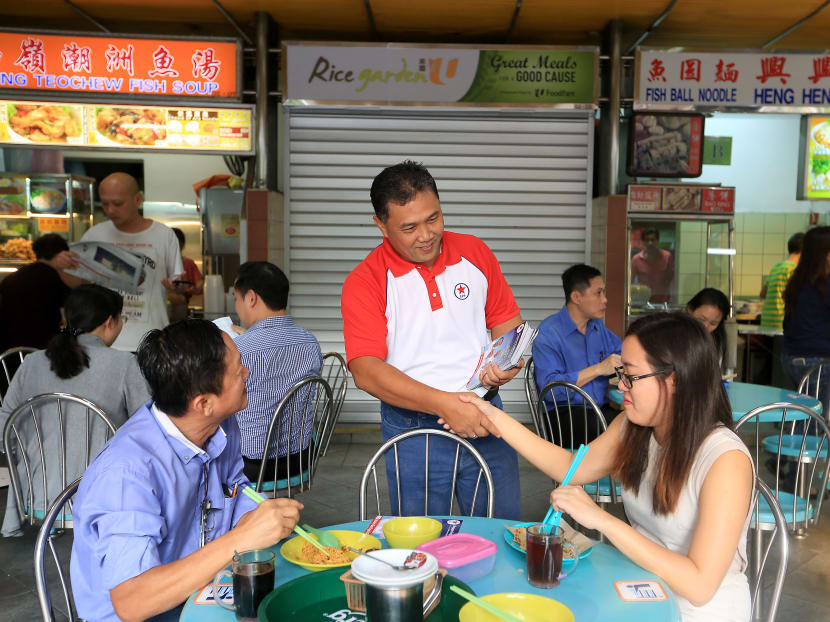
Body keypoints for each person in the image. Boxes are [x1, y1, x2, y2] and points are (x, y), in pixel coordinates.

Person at [455, 312, 754, 622]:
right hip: (643, 589)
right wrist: (492, 416)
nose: (620, 384)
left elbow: (700, 585)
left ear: (673, 380)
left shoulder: (724, 460)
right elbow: (571, 467)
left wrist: (602, 520)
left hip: (700, 611)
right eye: (620, 372)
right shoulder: (634, 426)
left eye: (631, 376)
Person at [70, 320, 303, 622]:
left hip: (202, 590)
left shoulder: (219, 423)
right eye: (237, 371)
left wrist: (255, 517)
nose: (247, 373)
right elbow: (132, 601)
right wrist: (242, 538)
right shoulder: (127, 474)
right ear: (203, 403)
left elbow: (234, 484)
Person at [341, 160, 524, 519]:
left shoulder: (475, 253)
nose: (425, 235)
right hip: (413, 427)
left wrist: (506, 365)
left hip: (484, 412)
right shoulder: (366, 281)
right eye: (409, 227)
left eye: (433, 218)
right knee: (421, 545)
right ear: (380, 224)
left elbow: (508, 325)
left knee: (501, 528)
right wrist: (445, 405)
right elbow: (366, 371)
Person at [0, 284, 150, 537]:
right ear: (110, 321)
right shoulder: (124, 364)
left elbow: (4, 426)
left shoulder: (33, 362)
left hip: (36, 499)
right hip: (102, 502)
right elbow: (149, 427)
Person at [57, 172, 184, 352]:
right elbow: (79, 283)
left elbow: (179, 284)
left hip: (152, 342)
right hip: (103, 343)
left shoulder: (164, 235)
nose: (110, 210)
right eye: (105, 203)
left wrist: (177, 286)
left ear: (138, 199)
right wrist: (63, 268)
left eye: (117, 204)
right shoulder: (95, 235)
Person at [232, 261, 322, 483]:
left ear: (251, 298)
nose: (236, 306)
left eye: (236, 298)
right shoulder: (309, 342)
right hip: (299, 459)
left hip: (251, 465)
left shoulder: (239, 350)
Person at [531, 264, 622, 445]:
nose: (605, 300)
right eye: (598, 293)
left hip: (598, 409)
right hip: (565, 415)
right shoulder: (548, 334)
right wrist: (598, 369)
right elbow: (551, 392)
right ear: (576, 297)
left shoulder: (597, 327)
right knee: (609, 432)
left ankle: (620, 473)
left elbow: (622, 355)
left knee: (638, 425)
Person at [0, 233, 72, 352]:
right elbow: (67, 319)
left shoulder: (12, 277)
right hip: (42, 349)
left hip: (9, 352)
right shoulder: (57, 279)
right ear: (61, 254)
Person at [782, 226, 830, 405]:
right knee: (814, 421)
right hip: (817, 362)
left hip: (792, 358)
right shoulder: (824, 285)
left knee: (803, 412)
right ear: (826, 254)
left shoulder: (798, 281)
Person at [760, 232, 803, 330]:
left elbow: (762, 293)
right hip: (782, 323)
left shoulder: (777, 267)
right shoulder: (795, 270)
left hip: (767, 321)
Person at [686, 288, 730, 367]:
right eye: (701, 319)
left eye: (713, 323)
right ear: (690, 310)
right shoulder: (676, 335)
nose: (705, 327)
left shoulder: (716, 341)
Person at [631, 227, 674, 304]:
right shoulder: (636, 259)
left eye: (652, 240)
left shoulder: (667, 257)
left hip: (663, 302)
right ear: (643, 242)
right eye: (647, 240)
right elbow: (630, 282)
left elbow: (671, 280)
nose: (650, 243)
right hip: (643, 302)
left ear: (657, 240)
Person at [171, 227, 204, 297]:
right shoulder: (159, 264)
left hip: (182, 305)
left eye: (176, 243)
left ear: (182, 245)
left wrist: (197, 287)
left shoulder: (188, 263)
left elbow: (200, 283)